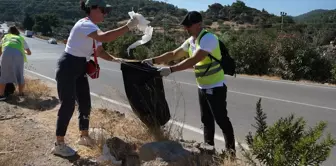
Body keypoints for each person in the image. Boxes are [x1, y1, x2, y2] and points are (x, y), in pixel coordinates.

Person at [142, 11, 236, 157]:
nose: (186, 29)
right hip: (202, 87)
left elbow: (194, 60)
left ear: (198, 24)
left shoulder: (208, 39)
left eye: (189, 26)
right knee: (206, 121)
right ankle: (208, 152)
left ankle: (231, 154)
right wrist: (152, 60)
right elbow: (174, 54)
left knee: (222, 120)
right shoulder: (192, 40)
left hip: (216, 87)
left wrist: (171, 69)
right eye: (185, 26)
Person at [52, 0, 139, 157]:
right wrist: (128, 27)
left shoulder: (94, 29)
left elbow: (99, 51)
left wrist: (117, 60)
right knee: (68, 104)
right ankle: (59, 144)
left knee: (85, 103)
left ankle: (84, 137)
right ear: (92, 9)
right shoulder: (85, 24)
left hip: (79, 66)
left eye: (107, 11)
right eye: (103, 10)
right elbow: (105, 38)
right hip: (68, 66)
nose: (105, 14)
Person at [0, 26, 32, 100]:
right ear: (17, 32)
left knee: (3, 75)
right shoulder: (20, 38)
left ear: (9, 32)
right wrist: (22, 51)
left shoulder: (5, 37)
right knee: (20, 74)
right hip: (18, 56)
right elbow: (29, 53)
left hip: (6, 54)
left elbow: (1, 51)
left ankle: (1, 95)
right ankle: (20, 93)